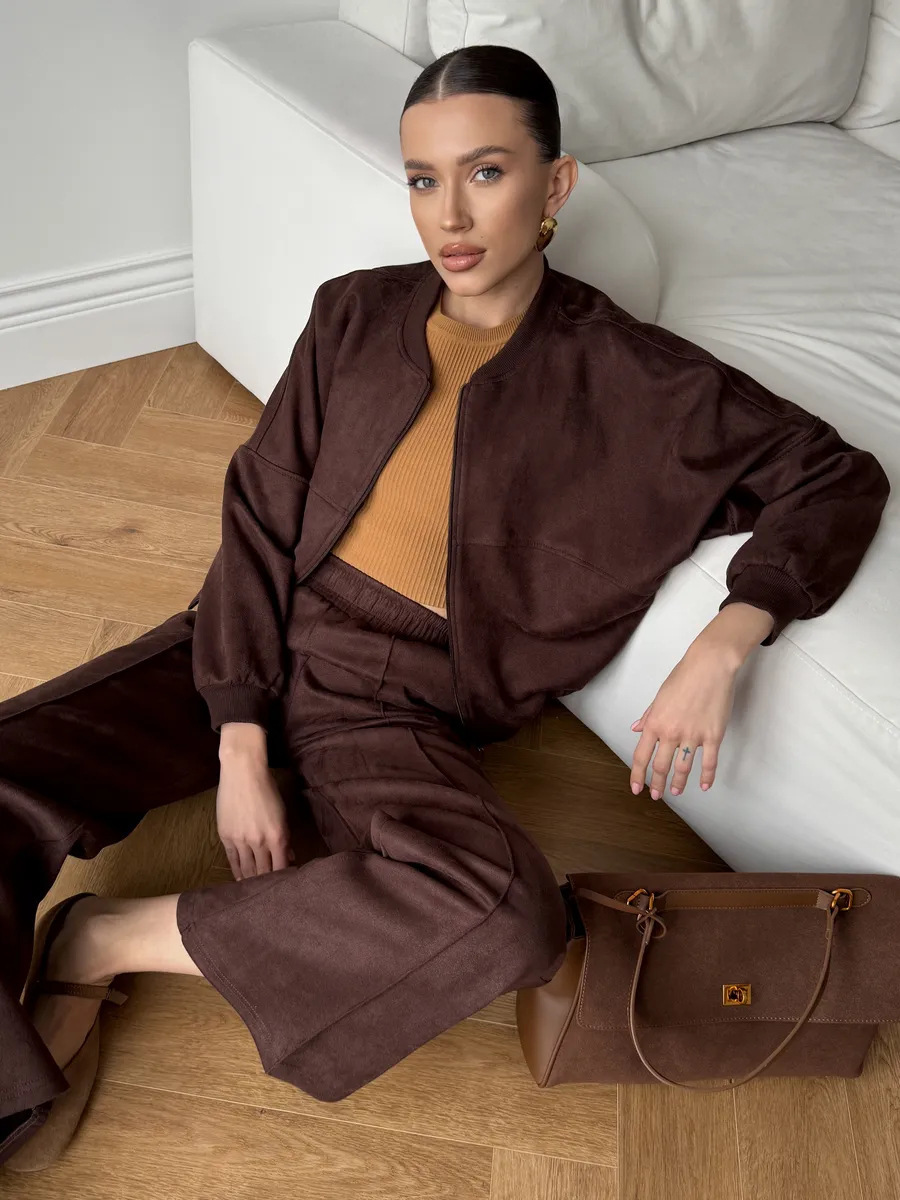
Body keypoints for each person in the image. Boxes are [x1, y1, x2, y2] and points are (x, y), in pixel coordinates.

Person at [0, 43, 890, 1172]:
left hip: (401, 703)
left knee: (501, 913)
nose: (450, 216)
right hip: (248, 634)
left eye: (487, 172)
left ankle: (99, 939)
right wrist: (238, 736)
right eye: (424, 179)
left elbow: (836, 477)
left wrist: (726, 640)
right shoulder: (355, 313)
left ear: (555, 184)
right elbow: (259, 518)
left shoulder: (640, 379)